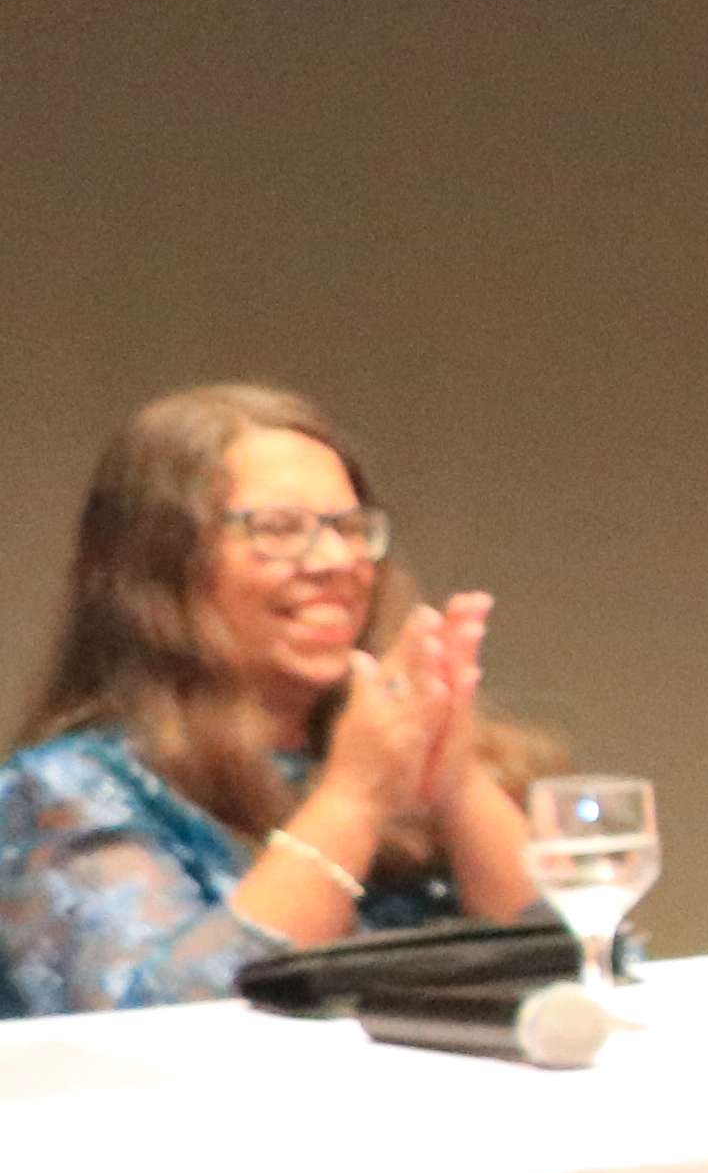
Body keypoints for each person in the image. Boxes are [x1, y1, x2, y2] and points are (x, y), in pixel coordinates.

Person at [3, 383, 544, 1015]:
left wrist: (454, 781)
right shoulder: (64, 794)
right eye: (279, 529)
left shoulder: (384, 768)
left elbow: (593, 977)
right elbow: (169, 1021)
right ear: (161, 566)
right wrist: (352, 800)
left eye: (348, 527)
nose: (335, 560)